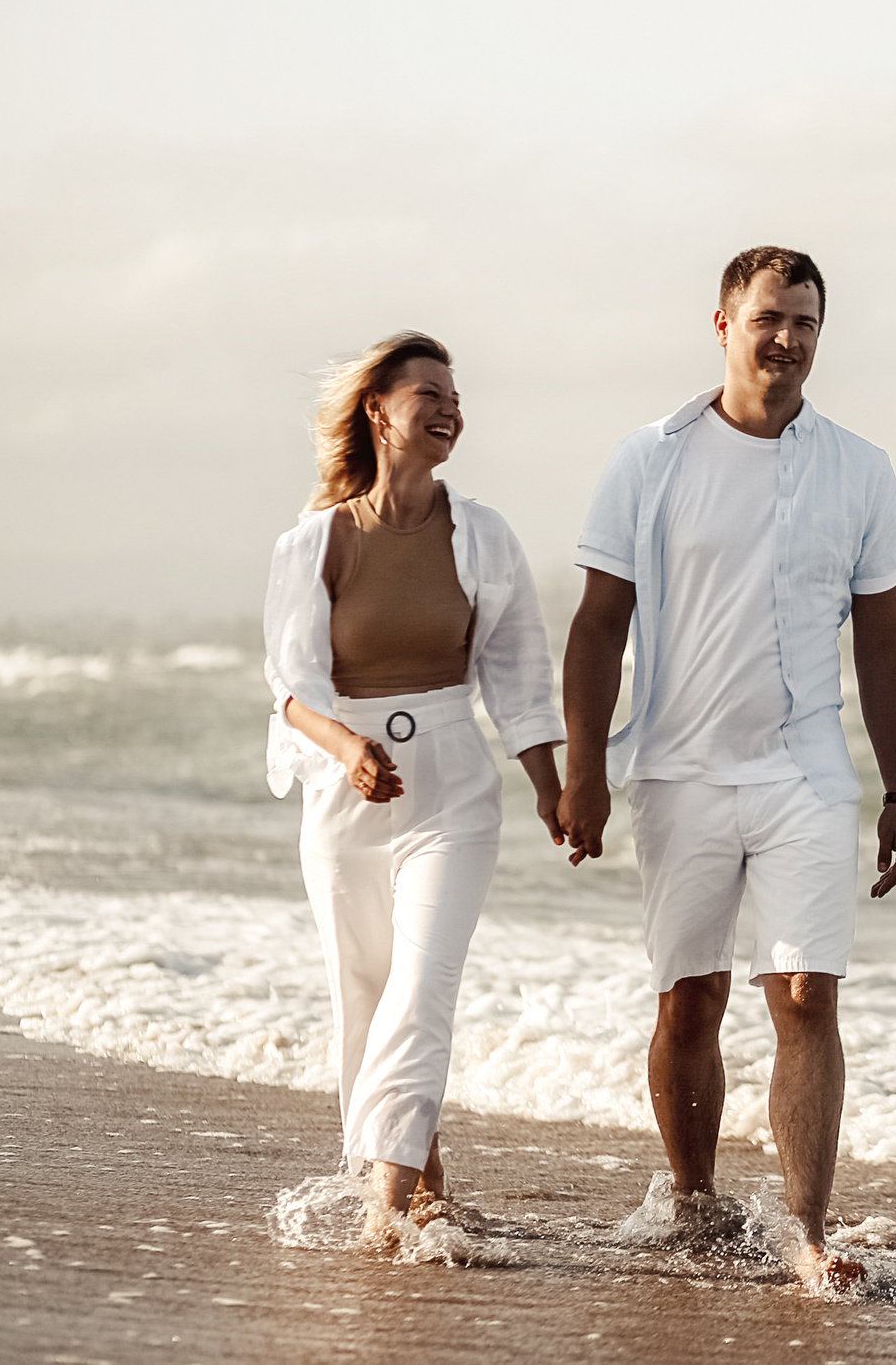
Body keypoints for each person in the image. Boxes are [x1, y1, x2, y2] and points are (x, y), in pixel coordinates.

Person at [559, 246, 896, 1294]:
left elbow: (884, 640)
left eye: (807, 321)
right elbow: (596, 623)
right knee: (691, 1000)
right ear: (721, 323)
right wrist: (585, 768)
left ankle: (807, 1228)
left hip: (805, 774)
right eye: (770, 316)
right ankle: (691, 1195)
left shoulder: (860, 469)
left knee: (805, 990)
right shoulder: (648, 460)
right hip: (676, 770)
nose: (790, 338)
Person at [260, 331, 566, 1237]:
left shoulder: (484, 534)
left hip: (453, 786)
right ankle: (421, 1181)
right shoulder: (315, 542)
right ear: (378, 412)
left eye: (455, 396)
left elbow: (516, 671)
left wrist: (552, 785)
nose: (448, 408)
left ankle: (386, 1209)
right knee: (366, 989)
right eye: (427, 392)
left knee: (423, 987)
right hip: (345, 788)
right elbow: (289, 686)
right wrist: (347, 748)